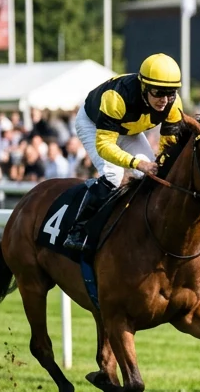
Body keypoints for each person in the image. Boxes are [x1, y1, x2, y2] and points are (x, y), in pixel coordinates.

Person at [64, 53, 186, 252]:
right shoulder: (118, 97)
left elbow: (168, 146)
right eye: (158, 92)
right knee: (113, 175)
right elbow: (104, 146)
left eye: (170, 93)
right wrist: (137, 163)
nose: (164, 100)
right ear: (144, 86)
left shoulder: (174, 103)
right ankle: (77, 230)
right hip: (94, 124)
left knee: (155, 176)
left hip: (129, 129)